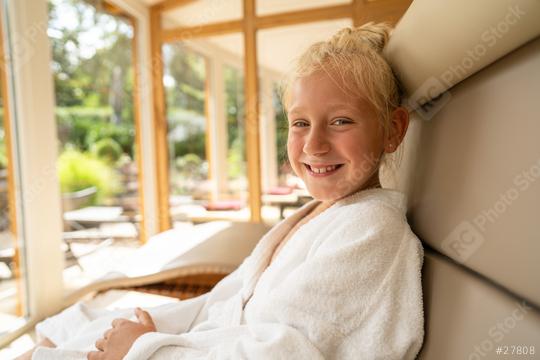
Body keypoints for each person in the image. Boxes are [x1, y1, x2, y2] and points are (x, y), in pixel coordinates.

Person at [20, 21, 424, 360]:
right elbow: (226, 300)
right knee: (68, 327)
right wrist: (151, 326)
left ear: (393, 130)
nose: (313, 144)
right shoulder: (321, 213)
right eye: (300, 123)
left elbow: (288, 352)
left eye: (340, 122)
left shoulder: (371, 230)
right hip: (213, 340)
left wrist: (145, 350)